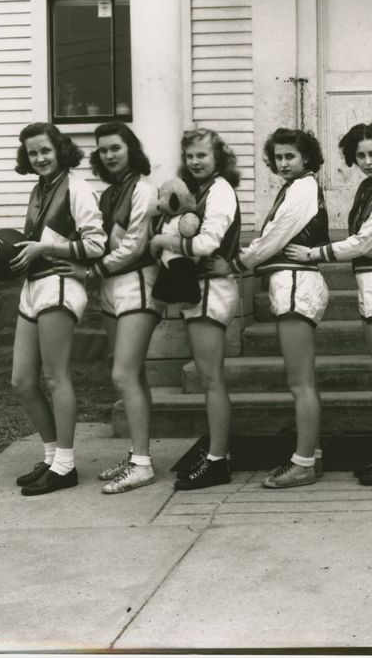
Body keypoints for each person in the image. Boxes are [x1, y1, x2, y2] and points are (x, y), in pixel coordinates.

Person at [286, 123, 372, 486]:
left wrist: (315, 253)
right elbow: (365, 245)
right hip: (371, 283)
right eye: (360, 155)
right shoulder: (369, 186)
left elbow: (364, 243)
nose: (367, 161)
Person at [55, 122, 161, 494]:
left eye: (115, 147)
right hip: (112, 290)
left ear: (131, 148)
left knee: (123, 375)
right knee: (134, 376)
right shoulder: (109, 193)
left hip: (138, 286)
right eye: (102, 150)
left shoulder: (144, 190)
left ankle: (143, 465)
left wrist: (92, 269)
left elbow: (134, 245)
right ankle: (137, 454)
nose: (109, 154)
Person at [225, 128, 330, 489]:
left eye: (291, 156)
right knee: (304, 381)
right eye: (279, 157)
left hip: (297, 283)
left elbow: (275, 236)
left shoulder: (303, 188)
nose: (284, 163)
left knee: (299, 382)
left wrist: (238, 262)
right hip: (291, 282)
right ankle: (311, 456)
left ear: (306, 158)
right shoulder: (296, 186)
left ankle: (301, 464)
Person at [8, 122, 106, 496]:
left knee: (56, 376)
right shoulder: (39, 188)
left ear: (60, 150)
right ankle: (51, 457)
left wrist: (46, 250)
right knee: (22, 380)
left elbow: (96, 244)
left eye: (45, 150)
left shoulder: (77, 187)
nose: (40, 158)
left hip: (59, 285)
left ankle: (65, 465)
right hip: (33, 286)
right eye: (32, 153)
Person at [151, 128, 242, 491]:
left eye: (202, 155)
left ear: (218, 157)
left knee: (211, 377)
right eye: (190, 156)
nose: (195, 162)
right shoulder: (196, 192)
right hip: (197, 288)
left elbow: (206, 242)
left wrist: (163, 240)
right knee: (208, 377)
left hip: (212, 289)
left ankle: (218, 460)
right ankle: (215, 450)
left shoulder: (220, 191)